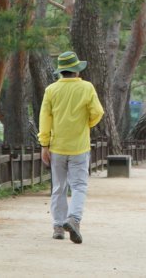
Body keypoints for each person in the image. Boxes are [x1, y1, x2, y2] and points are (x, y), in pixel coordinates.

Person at [39, 50, 104, 244]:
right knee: (79, 186)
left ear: (61, 71)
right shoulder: (87, 87)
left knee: (58, 187)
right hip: (79, 146)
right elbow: (98, 112)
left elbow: (45, 119)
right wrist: (87, 124)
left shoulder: (51, 90)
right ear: (76, 70)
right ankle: (74, 219)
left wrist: (44, 144)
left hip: (57, 147)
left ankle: (58, 226)